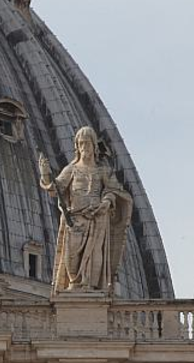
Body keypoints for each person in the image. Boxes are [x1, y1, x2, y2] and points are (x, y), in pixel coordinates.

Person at [39, 126, 133, 294]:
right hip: (75, 218)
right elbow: (57, 188)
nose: (84, 148)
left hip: (97, 217)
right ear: (77, 146)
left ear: (94, 146)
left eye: (87, 144)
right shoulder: (71, 169)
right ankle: (74, 282)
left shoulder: (103, 171)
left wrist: (106, 202)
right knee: (71, 253)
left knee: (95, 252)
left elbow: (114, 190)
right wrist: (46, 175)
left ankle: (89, 284)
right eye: (81, 144)